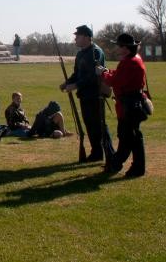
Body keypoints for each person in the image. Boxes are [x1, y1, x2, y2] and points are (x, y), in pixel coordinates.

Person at [60, 25, 114, 164]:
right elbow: (77, 74)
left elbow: (91, 76)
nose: (75, 39)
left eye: (78, 36)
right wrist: (67, 83)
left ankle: (110, 155)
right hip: (84, 95)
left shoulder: (95, 52)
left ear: (86, 37)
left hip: (96, 95)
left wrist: (76, 85)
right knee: (90, 125)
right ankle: (96, 153)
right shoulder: (80, 54)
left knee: (99, 125)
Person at [98, 33, 148, 178]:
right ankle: (129, 166)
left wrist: (103, 74)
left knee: (127, 138)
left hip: (129, 105)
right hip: (131, 103)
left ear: (125, 48)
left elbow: (115, 81)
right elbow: (119, 75)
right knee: (133, 138)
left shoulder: (130, 62)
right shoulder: (133, 59)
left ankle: (119, 164)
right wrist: (107, 72)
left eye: (119, 46)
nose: (117, 48)